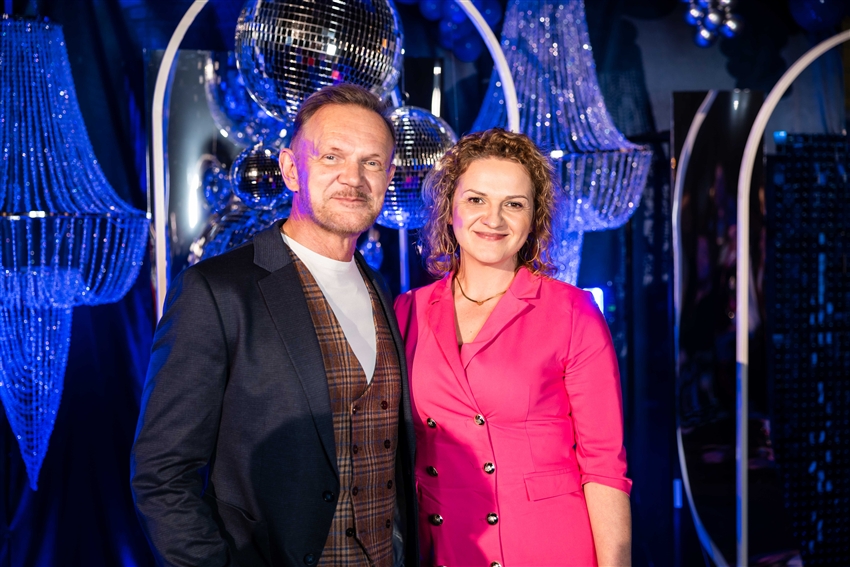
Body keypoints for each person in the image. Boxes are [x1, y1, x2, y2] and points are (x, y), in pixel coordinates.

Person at [131, 83, 418, 567]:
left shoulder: (381, 289)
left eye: (371, 162)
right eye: (332, 156)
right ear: (290, 169)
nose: (353, 178)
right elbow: (161, 473)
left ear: (388, 177)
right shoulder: (217, 290)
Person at [394, 128, 632, 567]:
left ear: (535, 218)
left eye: (514, 204)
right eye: (476, 199)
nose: (494, 219)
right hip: (447, 547)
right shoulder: (407, 310)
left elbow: (604, 466)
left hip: (547, 547)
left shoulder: (572, 312)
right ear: (449, 209)